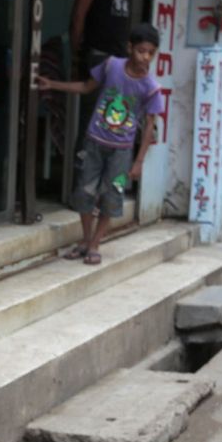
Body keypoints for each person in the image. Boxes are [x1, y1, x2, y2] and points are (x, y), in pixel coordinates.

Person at [38, 23, 165, 266]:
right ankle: (86, 240)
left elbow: (150, 127)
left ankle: (95, 243)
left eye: (151, 52)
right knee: (83, 192)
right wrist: (52, 85)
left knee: (111, 197)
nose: (145, 57)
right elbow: (86, 86)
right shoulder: (111, 66)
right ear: (130, 48)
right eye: (141, 51)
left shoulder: (151, 88)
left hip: (122, 152)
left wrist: (139, 161)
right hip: (94, 143)